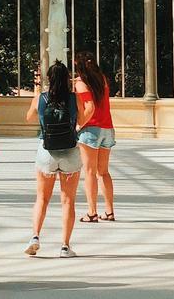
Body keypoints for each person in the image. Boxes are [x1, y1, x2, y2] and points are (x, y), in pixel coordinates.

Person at [24, 60, 81, 258]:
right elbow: (82, 120)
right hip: (70, 153)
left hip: (46, 151)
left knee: (42, 198)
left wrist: (36, 93)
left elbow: (29, 118)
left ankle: (35, 236)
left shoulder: (42, 98)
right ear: (67, 79)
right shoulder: (74, 99)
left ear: (49, 79)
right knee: (67, 201)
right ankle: (65, 246)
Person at [73, 51, 116, 222]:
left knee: (90, 172)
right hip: (107, 128)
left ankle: (92, 212)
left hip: (91, 130)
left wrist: (78, 126)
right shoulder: (102, 78)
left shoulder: (81, 82)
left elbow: (89, 108)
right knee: (103, 172)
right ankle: (110, 211)